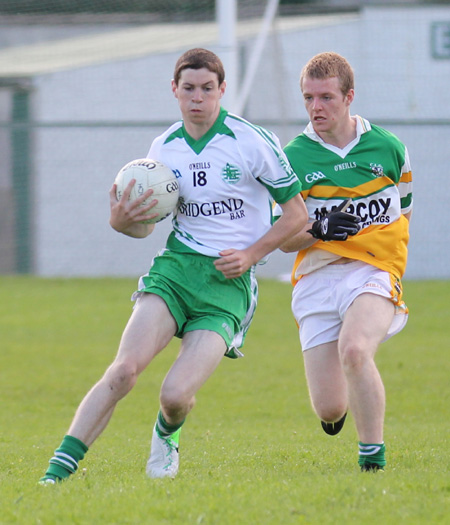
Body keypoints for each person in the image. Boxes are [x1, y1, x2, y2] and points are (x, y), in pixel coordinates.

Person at [39, 48, 308, 483]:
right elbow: (145, 226)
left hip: (227, 285)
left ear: (222, 90)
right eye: (188, 89)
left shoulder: (251, 141)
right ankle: (55, 473)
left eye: (207, 89)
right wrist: (120, 222)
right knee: (124, 371)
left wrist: (251, 255)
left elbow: (298, 215)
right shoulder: (163, 147)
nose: (197, 98)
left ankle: (167, 433)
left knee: (176, 395)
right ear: (174, 91)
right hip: (177, 270)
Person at [279, 52, 413, 472]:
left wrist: (379, 255)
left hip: (372, 272)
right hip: (316, 279)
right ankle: (336, 415)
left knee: (355, 350)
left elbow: (403, 212)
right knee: (330, 408)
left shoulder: (389, 149)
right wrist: (318, 228)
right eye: (308, 99)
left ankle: (372, 461)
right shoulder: (293, 158)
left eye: (326, 97)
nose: (316, 108)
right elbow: (283, 240)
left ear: (349, 96)